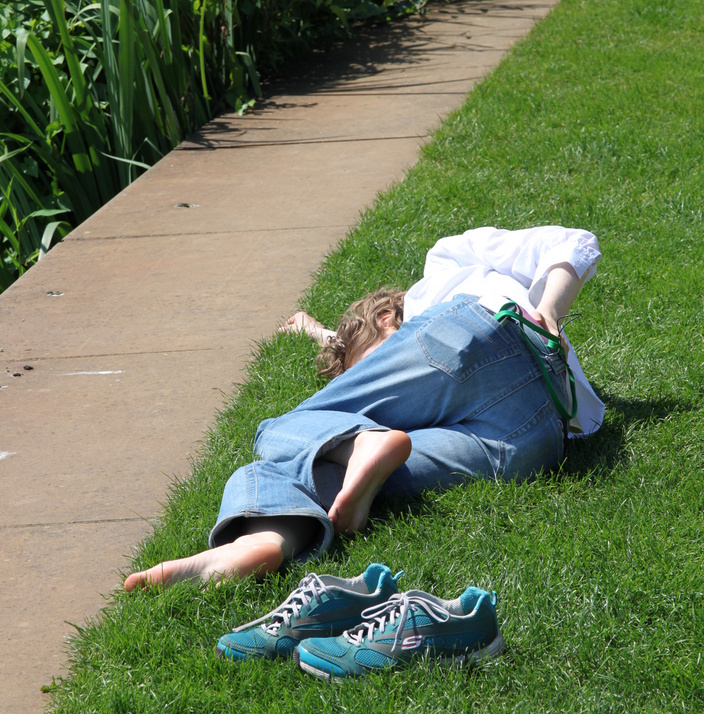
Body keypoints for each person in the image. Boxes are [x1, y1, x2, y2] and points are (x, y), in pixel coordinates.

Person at [124, 224, 602, 592]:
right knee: (323, 466)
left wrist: (551, 315)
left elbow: (574, 243)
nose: (364, 395)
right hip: (535, 432)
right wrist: (316, 332)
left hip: (485, 334)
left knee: (281, 430)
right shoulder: (396, 346)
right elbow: (374, 353)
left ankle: (357, 449)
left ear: (386, 318)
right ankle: (263, 541)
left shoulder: (443, 268)